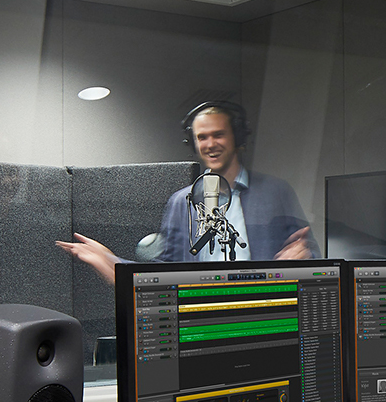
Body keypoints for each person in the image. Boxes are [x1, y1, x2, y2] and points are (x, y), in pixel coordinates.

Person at [55, 101, 317, 282]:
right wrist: (111, 261)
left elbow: (313, 257)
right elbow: (166, 273)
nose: (210, 144)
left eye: (218, 134)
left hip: (264, 312)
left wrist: (304, 260)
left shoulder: (275, 192)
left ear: (237, 138)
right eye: (202, 137)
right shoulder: (182, 202)